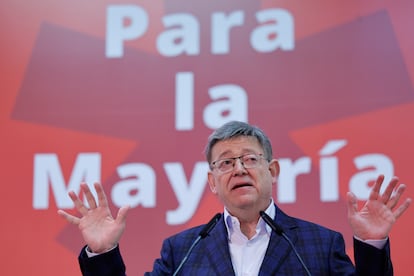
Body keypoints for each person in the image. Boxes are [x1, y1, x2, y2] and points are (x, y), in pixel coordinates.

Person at [58, 121, 411, 275]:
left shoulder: (319, 243)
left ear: (272, 171)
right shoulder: (181, 250)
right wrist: (102, 253)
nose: (239, 169)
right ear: (212, 181)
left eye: (249, 159)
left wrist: (372, 243)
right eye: (226, 163)